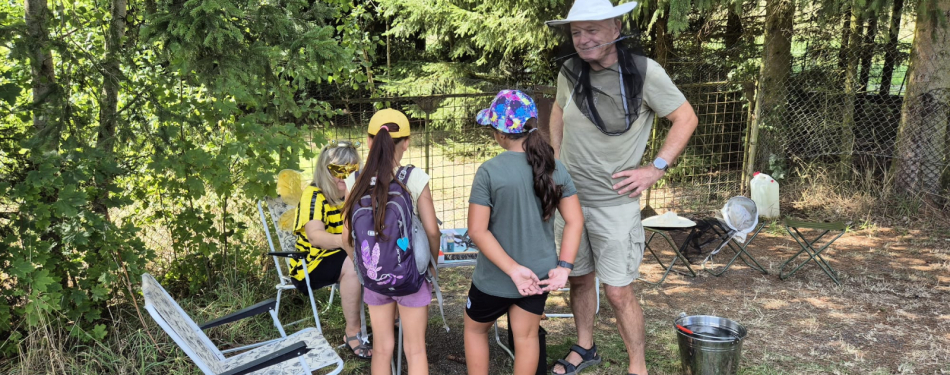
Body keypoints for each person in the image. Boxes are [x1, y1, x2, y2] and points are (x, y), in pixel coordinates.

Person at [545, 1, 699, 374]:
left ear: (616, 28)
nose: (582, 40)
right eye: (576, 32)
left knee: (617, 290)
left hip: (615, 205)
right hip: (570, 202)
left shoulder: (644, 73)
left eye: (592, 30)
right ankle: (585, 347)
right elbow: (558, 110)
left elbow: (685, 117)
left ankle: (637, 365)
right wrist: (554, 160)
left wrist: (655, 168)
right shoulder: (570, 70)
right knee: (579, 279)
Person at [463, 90, 584, 375]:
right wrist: (563, 268)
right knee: (527, 338)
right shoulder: (554, 168)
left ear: (501, 134)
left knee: (475, 331)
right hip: (539, 276)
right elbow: (575, 221)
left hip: (494, 279)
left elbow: (477, 231)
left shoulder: (489, 172)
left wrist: (514, 270)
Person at [341, 109, 441, 375]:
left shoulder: (356, 179)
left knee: (383, 348)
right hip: (411, 277)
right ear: (406, 142)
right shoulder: (414, 178)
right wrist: (430, 265)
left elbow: (345, 236)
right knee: (415, 350)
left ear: (369, 141)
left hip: (375, 276)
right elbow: (432, 231)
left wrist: (363, 266)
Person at [290, 140, 370, 359]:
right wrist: (345, 243)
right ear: (325, 170)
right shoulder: (314, 194)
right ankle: (352, 332)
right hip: (311, 264)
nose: (344, 176)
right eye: (338, 170)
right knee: (353, 266)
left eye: (351, 169)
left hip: (342, 253)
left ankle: (390, 317)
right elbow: (315, 237)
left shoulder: (354, 192)